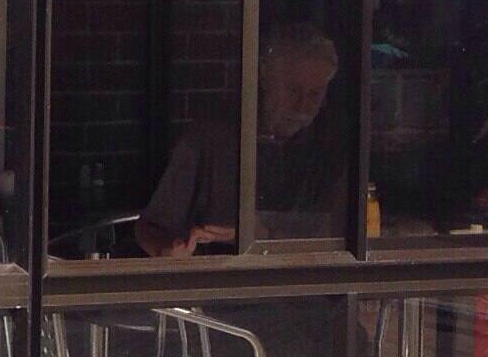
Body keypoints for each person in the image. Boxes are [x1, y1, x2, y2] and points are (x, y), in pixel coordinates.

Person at [137, 20, 343, 255]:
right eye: (293, 90)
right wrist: (170, 251)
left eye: (314, 95)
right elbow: (150, 226)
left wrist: (256, 234)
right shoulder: (208, 142)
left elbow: (336, 239)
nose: (301, 106)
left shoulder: (327, 152)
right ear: (266, 80)